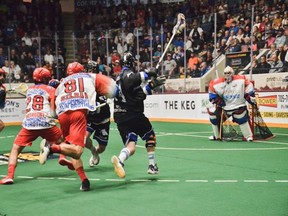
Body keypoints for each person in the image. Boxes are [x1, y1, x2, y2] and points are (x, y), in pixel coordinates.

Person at [39, 61, 118, 191]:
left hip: (62, 115)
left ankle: (84, 181)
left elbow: (53, 112)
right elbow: (113, 89)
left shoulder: (62, 82)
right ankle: (51, 148)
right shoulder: (89, 76)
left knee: (72, 150)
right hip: (78, 115)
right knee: (77, 150)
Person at [0, 67, 63, 185]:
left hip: (29, 123)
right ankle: (54, 150)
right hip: (45, 122)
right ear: (45, 78)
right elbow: (54, 111)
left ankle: (9, 176)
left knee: (15, 150)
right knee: (64, 142)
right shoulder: (50, 89)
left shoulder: (29, 90)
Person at [111, 52, 166, 178]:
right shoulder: (126, 74)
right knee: (150, 136)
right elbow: (132, 80)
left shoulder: (118, 79)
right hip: (133, 114)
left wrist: (151, 85)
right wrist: (148, 74)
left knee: (131, 145)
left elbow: (138, 96)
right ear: (131, 63)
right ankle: (152, 166)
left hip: (120, 116)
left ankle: (120, 160)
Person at [208, 66, 255, 142]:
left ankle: (248, 136)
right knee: (213, 117)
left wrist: (249, 95)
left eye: (229, 73)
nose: (227, 75)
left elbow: (249, 85)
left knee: (241, 117)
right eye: (226, 73)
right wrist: (218, 100)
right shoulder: (217, 83)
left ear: (232, 73)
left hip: (239, 106)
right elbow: (211, 92)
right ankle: (217, 136)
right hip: (225, 108)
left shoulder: (241, 79)